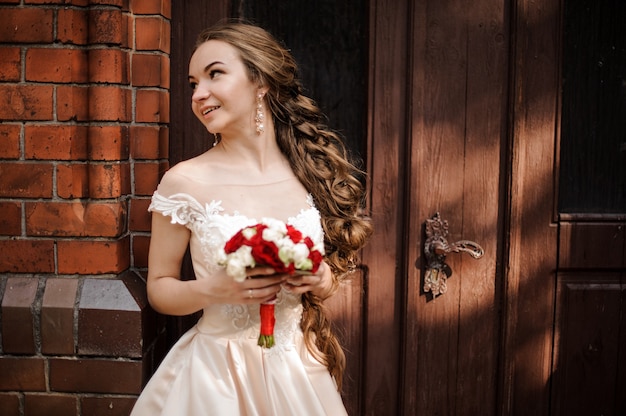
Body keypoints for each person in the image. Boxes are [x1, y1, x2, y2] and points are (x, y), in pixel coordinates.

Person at [130, 21, 373, 416]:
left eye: (215, 74)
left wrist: (321, 279)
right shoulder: (184, 181)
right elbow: (159, 289)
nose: (199, 94)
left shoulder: (307, 171)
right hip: (216, 379)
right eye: (193, 83)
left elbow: (325, 283)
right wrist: (217, 289)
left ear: (260, 81)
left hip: (299, 371)